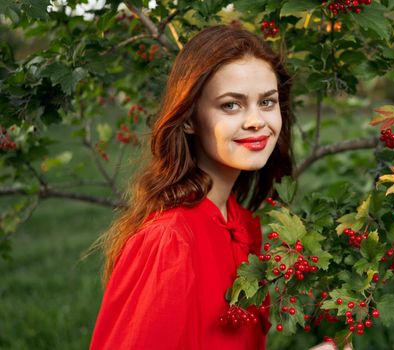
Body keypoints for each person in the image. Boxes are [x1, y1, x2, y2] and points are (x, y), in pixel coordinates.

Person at [89, 24, 294, 349]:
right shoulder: (171, 242)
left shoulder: (237, 223)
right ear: (188, 119)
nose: (257, 120)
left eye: (267, 103)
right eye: (231, 105)